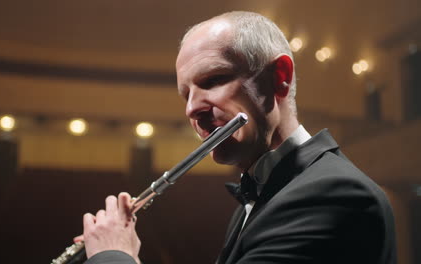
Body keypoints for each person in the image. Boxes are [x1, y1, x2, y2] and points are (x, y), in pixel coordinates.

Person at [79, 11, 397, 264]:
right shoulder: (262, 196)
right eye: (185, 94)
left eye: (213, 79)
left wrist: (112, 254)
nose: (192, 109)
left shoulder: (334, 195)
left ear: (280, 78)